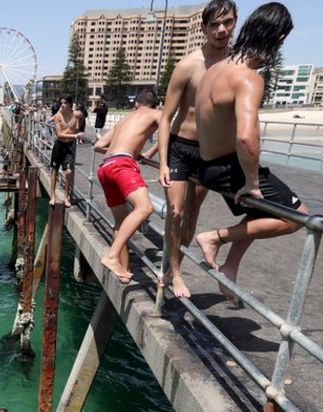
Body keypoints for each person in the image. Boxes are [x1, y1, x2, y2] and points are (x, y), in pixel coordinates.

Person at [193, 2, 307, 307]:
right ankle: (214, 237)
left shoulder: (215, 70)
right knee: (299, 217)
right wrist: (253, 181)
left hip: (208, 165)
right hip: (231, 168)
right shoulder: (248, 78)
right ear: (278, 38)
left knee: (260, 212)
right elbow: (246, 135)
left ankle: (230, 268)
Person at [158, 0, 237, 299]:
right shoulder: (188, 65)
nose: (221, 30)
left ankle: (175, 261)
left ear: (234, 23)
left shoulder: (237, 65)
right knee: (175, 212)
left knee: (192, 213)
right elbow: (166, 117)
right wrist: (164, 162)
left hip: (210, 152)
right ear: (203, 28)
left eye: (227, 22)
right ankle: (174, 273)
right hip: (181, 147)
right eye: (214, 24)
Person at [93, 89, 161, 283]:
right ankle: (112, 256)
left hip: (106, 166)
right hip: (122, 166)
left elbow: (98, 146)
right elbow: (168, 132)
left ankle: (123, 270)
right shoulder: (156, 114)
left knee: (121, 222)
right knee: (145, 207)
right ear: (154, 105)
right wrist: (148, 153)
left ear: (136, 104)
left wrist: (121, 148)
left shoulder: (124, 120)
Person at [50, 95, 85, 207]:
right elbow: (59, 134)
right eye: (61, 103)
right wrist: (75, 135)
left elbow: (80, 121)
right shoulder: (58, 117)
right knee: (54, 170)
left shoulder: (76, 115)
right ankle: (53, 196)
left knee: (69, 172)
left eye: (64, 103)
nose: (62, 105)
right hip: (59, 145)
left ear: (70, 104)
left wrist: (79, 129)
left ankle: (66, 197)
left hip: (69, 146)